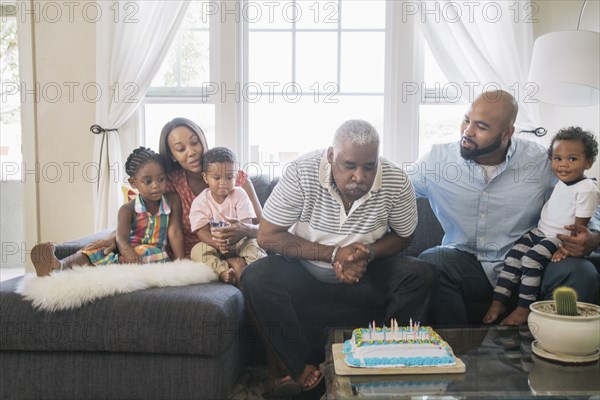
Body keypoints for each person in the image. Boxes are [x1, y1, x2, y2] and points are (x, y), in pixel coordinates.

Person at [241, 120, 438, 396]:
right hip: (305, 274)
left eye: (369, 166)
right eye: (349, 166)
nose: (360, 177)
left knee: (421, 275)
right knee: (256, 277)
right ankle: (302, 368)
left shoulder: (396, 181)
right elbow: (268, 236)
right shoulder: (302, 172)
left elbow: (404, 237)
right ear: (332, 157)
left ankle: (381, 360)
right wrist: (334, 253)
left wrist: (367, 253)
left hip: (365, 275)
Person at [409, 89, 600, 326]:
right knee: (432, 261)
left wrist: (593, 236)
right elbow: (394, 191)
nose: (467, 132)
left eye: (481, 126)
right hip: (467, 263)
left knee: (581, 271)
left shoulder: (540, 162)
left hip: (530, 262)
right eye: (466, 120)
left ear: (507, 133)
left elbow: (582, 192)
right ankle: (456, 354)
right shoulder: (436, 161)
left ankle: (554, 352)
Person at [84, 117, 263, 259]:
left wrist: (245, 230)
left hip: (238, 246)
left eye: (195, 143)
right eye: (180, 148)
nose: (191, 152)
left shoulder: (234, 175)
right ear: (172, 156)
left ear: (202, 141)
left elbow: (263, 227)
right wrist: (115, 236)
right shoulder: (169, 183)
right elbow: (143, 218)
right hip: (197, 256)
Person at [484, 127, 600, 325]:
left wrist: (566, 249)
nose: (563, 165)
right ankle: (498, 301)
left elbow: (579, 230)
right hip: (540, 231)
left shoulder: (587, 189)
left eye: (572, 159)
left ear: (588, 162)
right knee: (514, 255)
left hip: (559, 237)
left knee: (530, 260)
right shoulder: (562, 181)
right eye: (557, 158)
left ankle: (523, 309)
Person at [31, 147, 184, 276]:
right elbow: (121, 237)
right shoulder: (127, 209)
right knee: (96, 249)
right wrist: (129, 254)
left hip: (153, 253)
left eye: (161, 179)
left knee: (144, 250)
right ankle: (59, 266)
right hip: (129, 251)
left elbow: (175, 231)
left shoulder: (172, 201)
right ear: (133, 183)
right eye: (148, 181)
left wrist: (180, 262)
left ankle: (113, 266)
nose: (156, 186)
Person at [189, 147, 267, 285]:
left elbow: (245, 224)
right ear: (206, 178)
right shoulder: (200, 202)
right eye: (217, 178)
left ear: (236, 176)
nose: (223, 182)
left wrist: (236, 237)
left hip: (240, 241)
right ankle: (223, 271)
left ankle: (262, 272)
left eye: (229, 177)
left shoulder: (239, 194)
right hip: (216, 245)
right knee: (197, 250)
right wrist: (217, 244)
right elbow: (202, 232)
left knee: (254, 246)